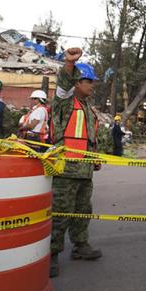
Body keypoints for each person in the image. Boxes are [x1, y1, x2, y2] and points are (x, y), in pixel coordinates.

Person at [49, 49, 102, 278]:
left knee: (82, 211)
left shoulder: (88, 109)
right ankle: (51, 255)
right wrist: (69, 64)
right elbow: (62, 84)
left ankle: (80, 245)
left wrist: (94, 157)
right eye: (88, 82)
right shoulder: (64, 103)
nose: (92, 86)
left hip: (84, 171)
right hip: (66, 171)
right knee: (61, 214)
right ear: (77, 82)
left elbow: (88, 137)